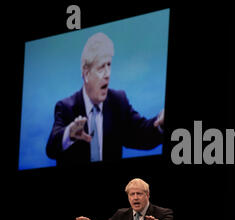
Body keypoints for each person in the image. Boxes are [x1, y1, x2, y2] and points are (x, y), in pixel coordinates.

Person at [46, 32, 164, 166]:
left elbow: (142, 134)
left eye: (109, 65)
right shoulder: (66, 107)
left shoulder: (118, 102)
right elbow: (51, 149)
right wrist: (70, 134)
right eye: (102, 67)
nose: (108, 74)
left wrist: (162, 124)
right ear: (86, 74)